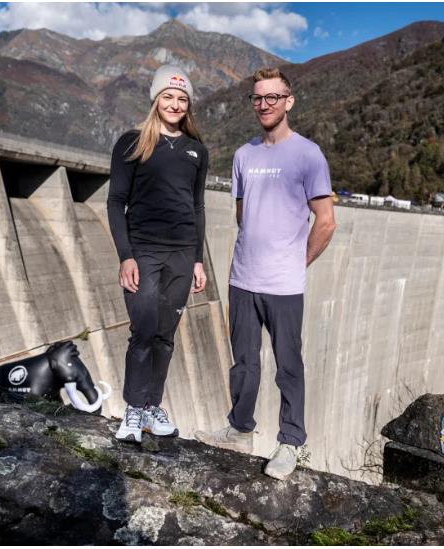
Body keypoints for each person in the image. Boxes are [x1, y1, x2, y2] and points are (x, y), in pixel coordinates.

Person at [195, 68, 336, 480]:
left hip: (283, 286)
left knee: (288, 364)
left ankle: (290, 442)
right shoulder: (244, 155)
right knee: (243, 363)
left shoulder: (308, 154)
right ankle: (239, 428)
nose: (264, 104)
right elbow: (243, 214)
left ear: (288, 101)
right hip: (243, 279)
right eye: (258, 98)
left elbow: (325, 222)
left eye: (273, 97)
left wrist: (298, 261)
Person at [107, 65, 208, 444]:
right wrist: (126, 256)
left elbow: (197, 207)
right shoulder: (132, 143)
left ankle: (152, 407)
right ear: (155, 99)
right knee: (144, 331)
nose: (175, 103)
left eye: (182, 99)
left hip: (182, 255)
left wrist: (198, 260)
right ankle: (133, 409)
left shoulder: (197, 150)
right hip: (144, 252)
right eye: (168, 96)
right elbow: (116, 202)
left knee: (166, 335)